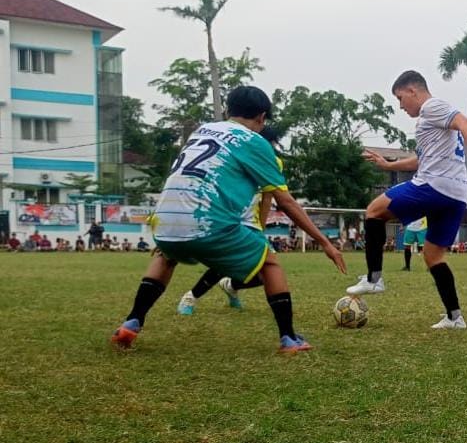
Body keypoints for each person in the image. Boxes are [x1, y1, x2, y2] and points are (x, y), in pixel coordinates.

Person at [110, 86, 346, 354]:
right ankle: (289, 338)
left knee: (165, 257)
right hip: (207, 223)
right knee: (270, 263)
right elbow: (286, 202)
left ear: (227, 111)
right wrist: (325, 243)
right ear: (262, 116)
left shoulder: (201, 131)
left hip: (164, 222)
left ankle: (132, 321)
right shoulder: (255, 142)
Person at [346, 70, 467, 330]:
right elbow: (419, 160)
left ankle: (374, 278)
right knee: (433, 256)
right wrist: (389, 165)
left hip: (433, 185)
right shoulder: (431, 123)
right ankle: (454, 317)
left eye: (400, 98)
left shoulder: (431, 107)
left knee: (373, 211)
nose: (401, 105)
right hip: (455, 195)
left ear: (413, 91)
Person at [176, 125, 284, 315]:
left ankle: (231, 286)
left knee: (264, 272)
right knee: (222, 264)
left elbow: (268, 197)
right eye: (272, 142)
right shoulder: (237, 153)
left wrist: (261, 226)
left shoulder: (274, 163)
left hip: (252, 222)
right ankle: (191, 297)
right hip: (230, 216)